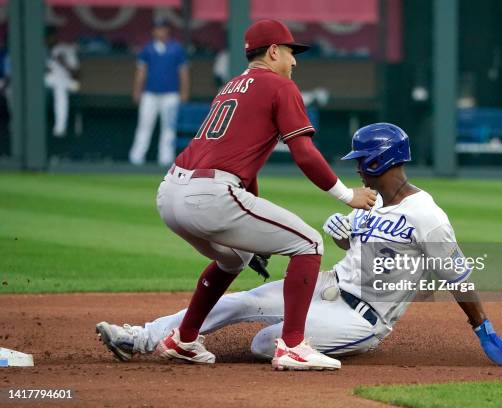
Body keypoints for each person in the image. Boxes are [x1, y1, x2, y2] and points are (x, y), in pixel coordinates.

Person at [96, 123, 502, 368]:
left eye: (361, 161)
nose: (357, 169)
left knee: (266, 344)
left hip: (364, 318)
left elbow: (457, 275)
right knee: (240, 302)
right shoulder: (372, 202)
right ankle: (143, 337)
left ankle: (300, 347)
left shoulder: (428, 216)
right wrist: (346, 233)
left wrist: (484, 331)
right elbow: (361, 252)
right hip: (327, 288)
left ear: (379, 161)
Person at [105, 19, 376, 371]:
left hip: (171, 190)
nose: (295, 61)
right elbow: (304, 152)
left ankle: (185, 339)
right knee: (310, 244)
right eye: (291, 52)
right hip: (210, 194)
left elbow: (242, 167)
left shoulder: (232, 86)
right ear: (274, 51)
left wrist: (253, 231)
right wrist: (346, 195)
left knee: (234, 259)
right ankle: (293, 346)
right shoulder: (279, 86)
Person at [129, 18, 189, 166]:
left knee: (168, 128)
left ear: (167, 30)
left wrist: (184, 92)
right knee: (144, 125)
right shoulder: (147, 48)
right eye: (157, 28)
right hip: (149, 93)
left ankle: (165, 159)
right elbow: (141, 72)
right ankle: (136, 158)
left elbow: (184, 72)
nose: (159, 31)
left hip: (171, 94)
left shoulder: (177, 48)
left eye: (162, 28)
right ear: (153, 31)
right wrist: (137, 91)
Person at [44, 27, 80, 138]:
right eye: (45, 38)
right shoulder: (42, 50)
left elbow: (76, 74)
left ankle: (60, 128)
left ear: (55, 36)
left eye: (49, 37)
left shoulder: (66, 49)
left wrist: (63, 62)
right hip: (49, 81)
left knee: (60, 89)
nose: (47, 40)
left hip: (70, 83)